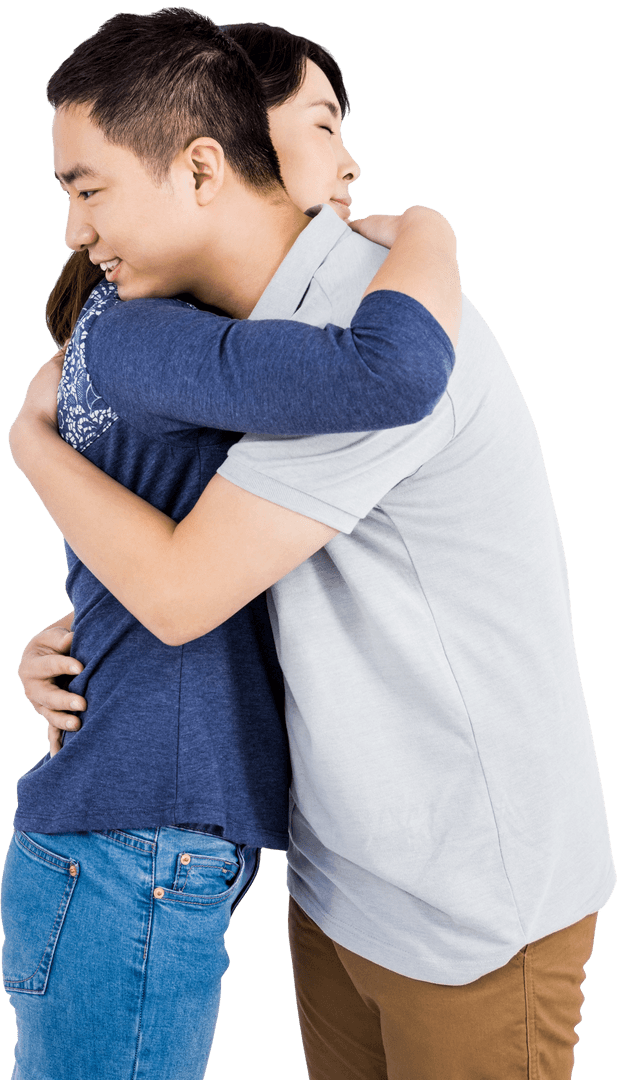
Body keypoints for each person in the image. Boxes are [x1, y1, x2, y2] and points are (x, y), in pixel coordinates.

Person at [10, 9, 615, 1080]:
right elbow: (197, 562)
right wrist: (79, 638)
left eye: (86, 187)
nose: (332, 165)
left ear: (202, 165)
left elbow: (187, 585)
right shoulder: (206, 339)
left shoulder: (364, 329)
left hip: (467, 898)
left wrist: (31, 444)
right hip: (338, 877)